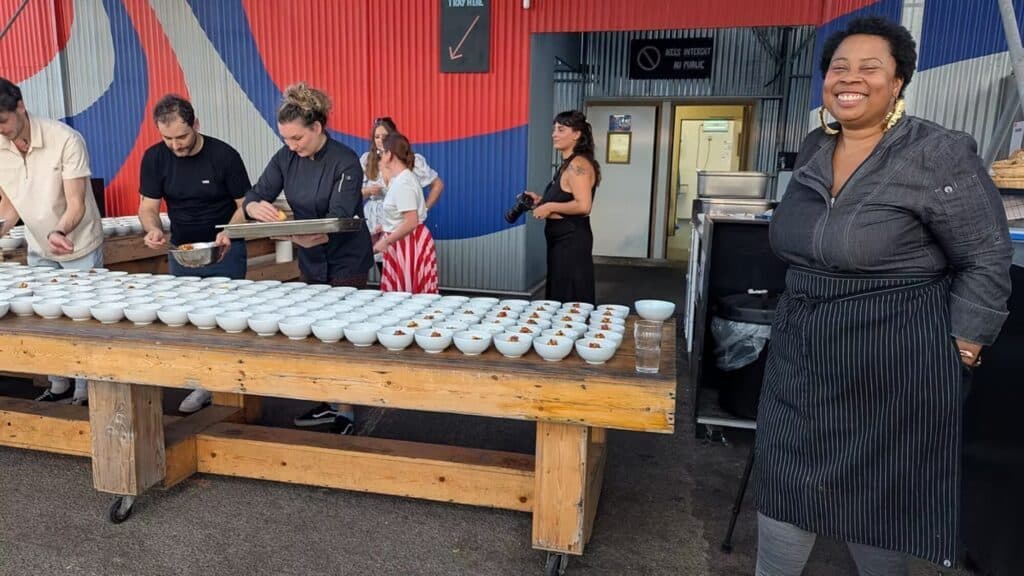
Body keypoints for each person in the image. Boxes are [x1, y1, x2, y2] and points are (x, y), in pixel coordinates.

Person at [756, 17, 1013, 575]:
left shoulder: (937, 153)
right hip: (802, 349)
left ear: (898, 82)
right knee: (783, 481)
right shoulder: (815, 146)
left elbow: (987, 256)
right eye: (839, 67)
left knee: (876, 499)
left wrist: (963, 346)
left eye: (870, 68)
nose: (850, 78)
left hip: (891, 357)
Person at [244, 82, 373, 434]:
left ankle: (345, 410)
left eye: (297, 138)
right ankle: (328, 399)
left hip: (346, 258)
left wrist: (302, 235)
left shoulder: (345, 161)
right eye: (286, 138)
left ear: (317, 127)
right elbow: (255, 193)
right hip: (312, 258)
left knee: (341, 332)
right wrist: (254, 208)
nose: (291, 145)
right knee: (317, 330)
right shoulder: (285, 158)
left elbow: (339, 218)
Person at [138, 94, 252, 414]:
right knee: (188, 320)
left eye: (182, 137)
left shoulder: (224, 156)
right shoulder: (154, 158)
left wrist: (230, 231)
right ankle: (200, 383)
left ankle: (227, 386)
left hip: (225, 251)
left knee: (226, 319)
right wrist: (152, 229)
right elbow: (148, 207)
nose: (175, 145)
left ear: (196, 125)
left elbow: (246, 205)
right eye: (168, 138)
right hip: (183, 252)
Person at [0, 77, 104, 407]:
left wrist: (59, 232)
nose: (1, 130)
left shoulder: (65, 139)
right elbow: (11, 203)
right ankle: (58, 384)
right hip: (37, 244)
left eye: (3, 121)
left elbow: (76, 202)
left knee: (81, 317)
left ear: (20, 107)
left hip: (77, 242)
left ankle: (85, 390)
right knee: (45, 318)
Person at [524, 110, 600, 304]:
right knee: (560, 293)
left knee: (570, 296)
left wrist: (549, 206)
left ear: (576, 134)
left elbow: (584, 205)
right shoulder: (568, 164)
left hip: (571, 239)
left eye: (561, 129)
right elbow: (566, 197)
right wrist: (540, 201)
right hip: (560, 239)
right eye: (554, 129)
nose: (554, 134)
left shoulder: (578, 165)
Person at [360, 117, 443, 272]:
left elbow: (437, 185)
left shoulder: (407, 173)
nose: (380, 141)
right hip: (376, 222)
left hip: (401, 223)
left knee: (404, 268)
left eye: (384, 137)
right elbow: (353, 194)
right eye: (376, 137)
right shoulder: (367, 160)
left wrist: (423, 209)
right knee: (387, 269)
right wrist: (368, 191)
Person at [372, 132, 438, 293]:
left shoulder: (404, 183)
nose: (379, 156)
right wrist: (386, 225)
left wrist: (386, 241)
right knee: (403, 293)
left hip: (409, 243)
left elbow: (411, 221)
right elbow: (403, 216)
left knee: (407, 295)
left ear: (390, 154)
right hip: (403, 241)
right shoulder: (401, 179)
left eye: (382, 152)